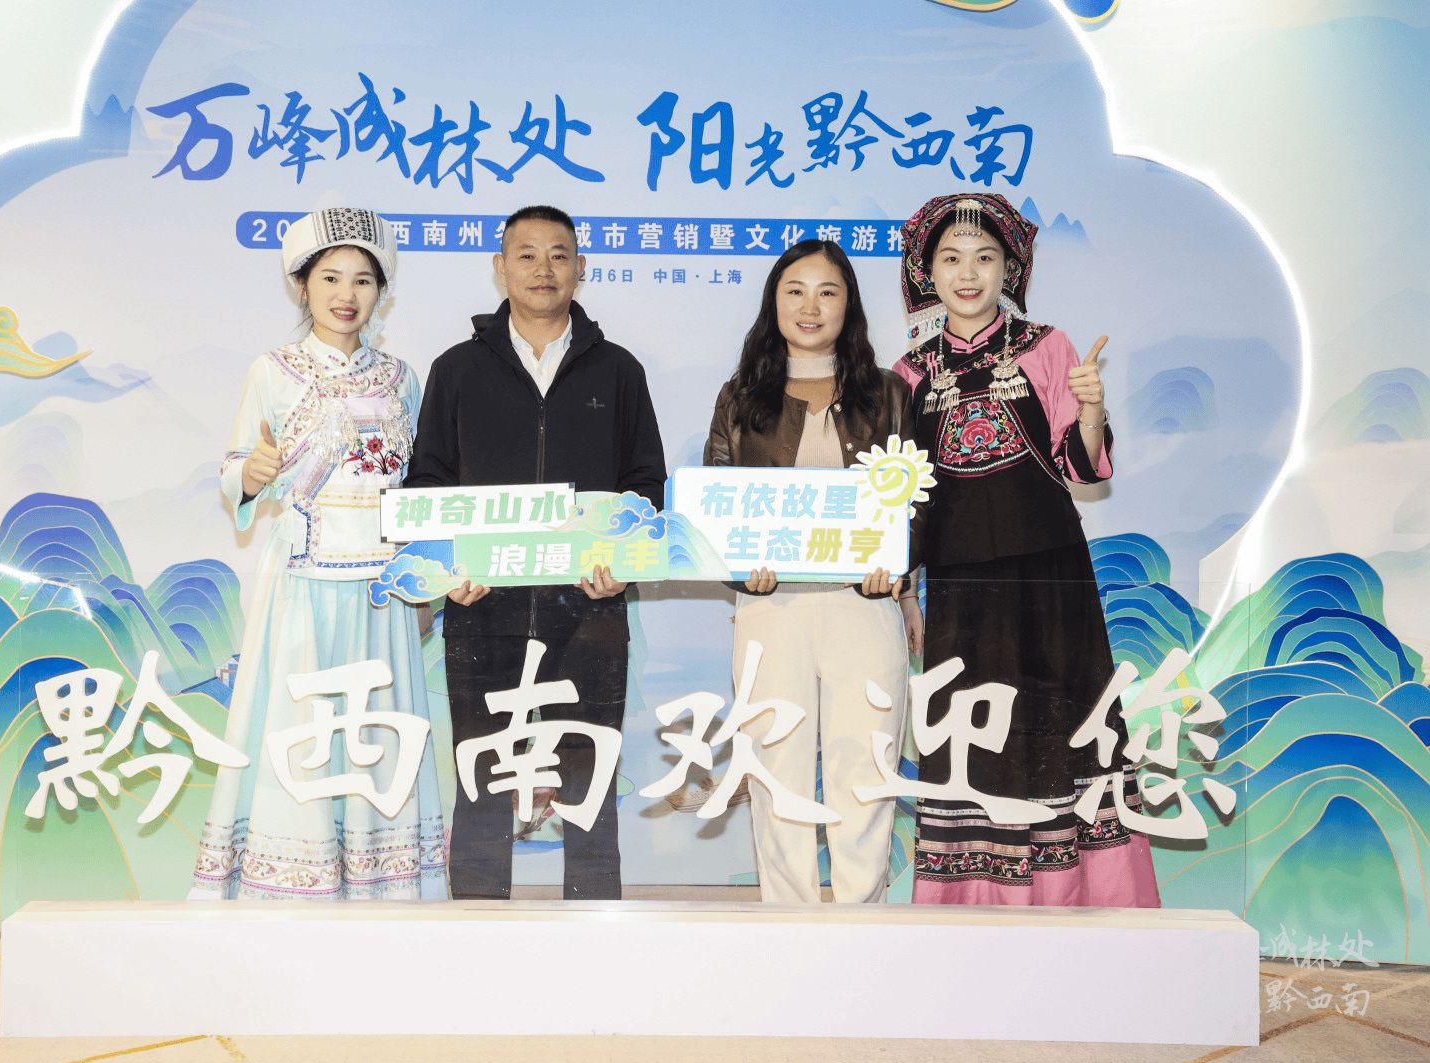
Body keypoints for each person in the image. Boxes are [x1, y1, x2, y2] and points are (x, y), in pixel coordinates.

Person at [892, 193, 1160, 907]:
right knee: (971, 739)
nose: (968, 274)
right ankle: (970, 906)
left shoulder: (1048, 347)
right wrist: (904, 590)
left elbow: (1082, 468)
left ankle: (1084, 896)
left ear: (1009, 269)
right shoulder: (908, 373)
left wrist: (1092, 405)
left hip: (1050, 579)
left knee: (1066, 732)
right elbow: (902, 500)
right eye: (951, 258)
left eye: (985, 258)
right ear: (926, 271)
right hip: (959, 592)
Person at [405, 204, 667, 900]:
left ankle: (594, 928)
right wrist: (446, 571)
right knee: (483, 776)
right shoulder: (457, 369)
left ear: (581, 268)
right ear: (500, 268)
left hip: (590, 605)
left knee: (588, 777)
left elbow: (646, 483)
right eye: (526, 254)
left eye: (559, 254)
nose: (543, 269)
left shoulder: (618, 371)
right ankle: (477, 925)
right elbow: (427, 482)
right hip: (482, 605)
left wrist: (622, 565)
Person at [191, 207, 447, 901]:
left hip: (384, 588)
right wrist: (253, 474)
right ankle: (291, 885)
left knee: (380, 732)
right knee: (302, 728)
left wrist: (427, 581)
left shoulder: (401, 377)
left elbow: (419, 489)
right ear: (301, 285)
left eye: (363, 279)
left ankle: (385, 883)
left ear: (381, 291)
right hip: (304, 579)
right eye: (330, 277)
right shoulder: (272, 372)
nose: (346, 293)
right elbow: (236, 469)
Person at [704, 239, 922, 904]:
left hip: (864, 607)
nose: (810, 306)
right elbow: (716, 506)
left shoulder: (888, 393)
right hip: (772, 611)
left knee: (867, 771)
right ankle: (787, 927)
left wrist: (900, 571)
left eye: (828, 292)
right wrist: (741, 571)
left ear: (848, 304)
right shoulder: (741, 398)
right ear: (773, 302)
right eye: (794, 291)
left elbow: (919, 502)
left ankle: (862, 922)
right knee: (777, 771)